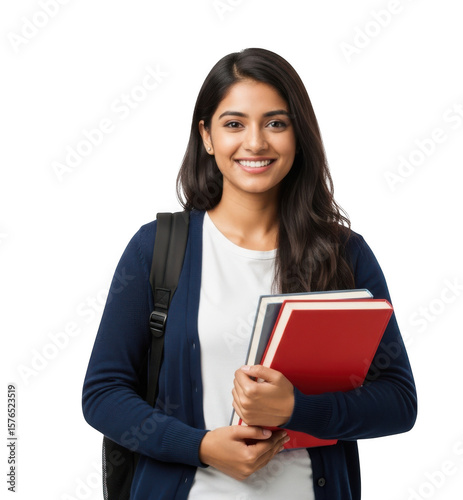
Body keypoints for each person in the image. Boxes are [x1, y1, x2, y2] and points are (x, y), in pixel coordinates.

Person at [82, 47, 417, 500]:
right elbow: (103, 393)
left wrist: (297, 409)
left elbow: (398, 402)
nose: (255, 142)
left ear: (298, 134)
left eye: (276, 123)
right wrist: (199, 446)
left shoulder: (344, 255)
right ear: (206, 136)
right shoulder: (157, 248)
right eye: (234, 124)